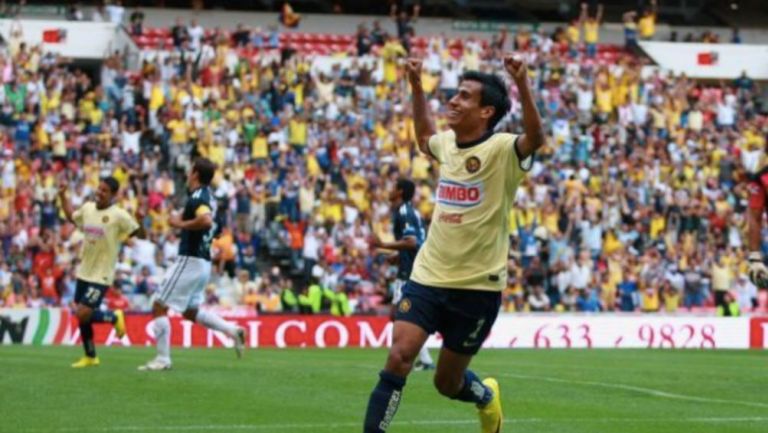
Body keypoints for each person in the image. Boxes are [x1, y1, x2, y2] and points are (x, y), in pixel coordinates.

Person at [362, 54, 544, 433]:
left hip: (477, 286)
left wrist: (523, 83)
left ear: (486, 111)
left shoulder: (503, 151)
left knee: (446, 383)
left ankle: (485, 397)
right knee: (399, 357)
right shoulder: (448, 144)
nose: (453, 101)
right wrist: (415, 86)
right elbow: (425, 138)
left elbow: (536, 138)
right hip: (428, 277)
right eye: (454, 94)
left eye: (464, 97)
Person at [138, 159, 245, 371]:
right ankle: (232, 330)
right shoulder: (209, 198)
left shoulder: (198, 197)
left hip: (191, 260)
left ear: (195, 173)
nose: (187, 174)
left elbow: (205, 221)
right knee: (189, 311)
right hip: (203, 261)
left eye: (190, 170)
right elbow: (217, 229)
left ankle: (162, 359)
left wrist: (180, 224)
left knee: (159, 305)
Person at [58, 176, 145, 368]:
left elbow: (139, 233)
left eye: (104, 191)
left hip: (102, 274)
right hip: (84, 271)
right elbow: (71, 217)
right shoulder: (88, 208)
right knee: (83, 315)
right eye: (99, 189)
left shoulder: (119, 215)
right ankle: (90, 356)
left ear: (113, 195)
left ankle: (113, 317)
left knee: (82, 313)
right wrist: (63, 196)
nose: (99, 193)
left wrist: (141, 220)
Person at [372, 178, 434, 371]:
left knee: (399, 315)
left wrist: (383, 245)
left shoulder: (404, 211)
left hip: (410, 271)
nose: (389, 191)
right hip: (414, 267)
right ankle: (423, 358)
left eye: (393, 187)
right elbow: (415, 244)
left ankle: (405, 357)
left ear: (399, 192)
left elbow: (412, 242)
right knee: (401, 315)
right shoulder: (410, 211)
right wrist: (397, 256)